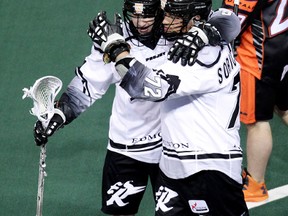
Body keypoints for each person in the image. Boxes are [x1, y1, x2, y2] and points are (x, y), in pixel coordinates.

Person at [33, 0, 231, 215]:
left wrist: (206, 33)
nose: (140, 23)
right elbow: (88, 84)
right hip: (126, 147)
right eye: (133, 15)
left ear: (162, 11)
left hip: (171, 149)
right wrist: (61, 113)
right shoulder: (113, 38)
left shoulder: (180, 29)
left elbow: (229, 23)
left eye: (147, 15)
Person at [90, 0, 249, 215]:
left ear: (196, 19)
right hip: (173, 168)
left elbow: (147, 88)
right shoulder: (203, 40)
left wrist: (117, 49)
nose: (163, 21)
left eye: (172, 16)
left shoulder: (201, 56)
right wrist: (205, 32)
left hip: (209, 167)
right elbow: (229, 21)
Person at [222, 0, 288, 202]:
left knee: (257, 121)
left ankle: (255, 184)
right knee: (284, 108)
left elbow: (234, 20)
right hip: (281, 44)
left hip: (258, 56)